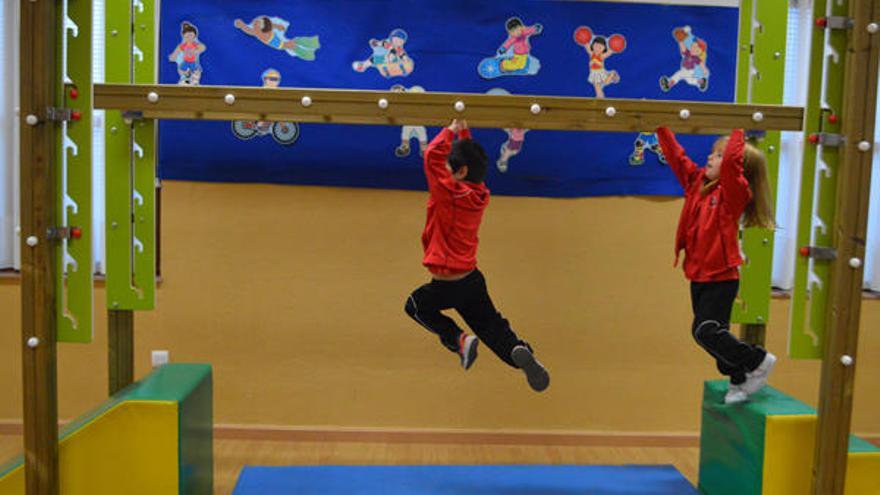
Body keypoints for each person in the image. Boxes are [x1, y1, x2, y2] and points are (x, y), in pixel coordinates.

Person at [404, 119, 550, 392]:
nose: (444, 173)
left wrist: (450, 129)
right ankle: (518, 351)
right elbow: (469, 165)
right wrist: (464, 135)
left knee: (414, 306)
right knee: (492, 327)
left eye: (450, 169)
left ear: (459, 172)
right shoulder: (479, 193)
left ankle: (458, 339)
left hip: (446, 284)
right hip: (471, 279)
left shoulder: (449, 193)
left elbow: (432, 157)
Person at [656, 127, 776, 404]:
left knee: (706, 330)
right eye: (712, 152)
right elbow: (677, 158)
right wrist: (662, 129)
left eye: (719, 155)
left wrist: (737, 128)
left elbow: (733, 168)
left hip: (721, 277)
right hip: (699, 276)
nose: (710, 158)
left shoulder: (734, 195)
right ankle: (739, 380)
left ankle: (758, 360)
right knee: (707, 335)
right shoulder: (697, 184)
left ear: (736, 166)